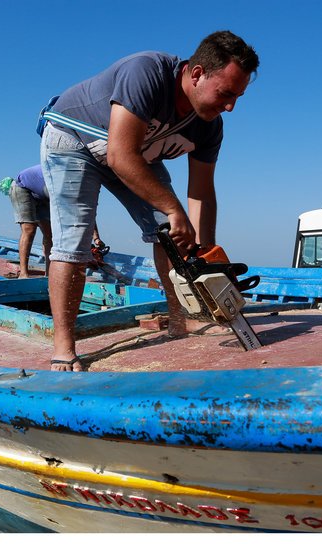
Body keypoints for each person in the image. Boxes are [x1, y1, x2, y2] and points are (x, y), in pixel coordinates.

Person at [38, 30, 259, 371]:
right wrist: (173, 209)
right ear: (197, 74)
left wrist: (206, 253)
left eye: (238, 98)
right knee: (74, 239)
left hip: (134, 150)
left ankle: (178, 318)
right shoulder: (146, 72)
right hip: (75, 139)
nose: (230, 107)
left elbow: (201, 193)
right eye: (226, 94)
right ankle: (64, 345)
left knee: (171, 232)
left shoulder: (209, 126)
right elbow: (119, 155)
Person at [0, 165, 107, 279]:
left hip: (43, 195)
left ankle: (49, 274)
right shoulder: (65, 183)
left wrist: (96, 238)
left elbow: (87, 213)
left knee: (49, 234)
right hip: (23, 187)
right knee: (29, 229)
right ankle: (23, 273)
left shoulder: (82, 190)